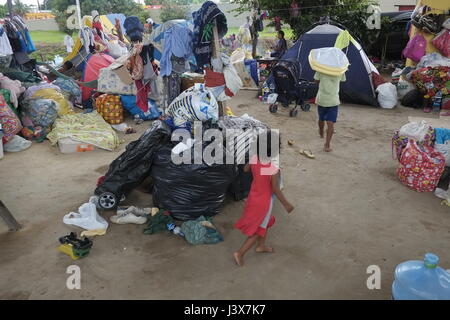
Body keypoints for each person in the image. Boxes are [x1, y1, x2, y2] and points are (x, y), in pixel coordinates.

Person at [233, 130, 294, 267]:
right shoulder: (272, 169)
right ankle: (240, 253)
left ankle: (261, 246)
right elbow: (276, 190)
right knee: (256, 231)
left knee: (264, 224)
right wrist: (286, 204)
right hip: (263, 204)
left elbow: (246, 170)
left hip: (253, 198)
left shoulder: (255, 159)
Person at [314, 70, 346, 152]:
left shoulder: (341, 69)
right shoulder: (321, 68)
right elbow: (316, 80)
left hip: (333, 101)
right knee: (321, 119)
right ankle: (321, 130)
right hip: (322, 100)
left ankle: (327, 144)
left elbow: (316, 81)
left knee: (330, 123)